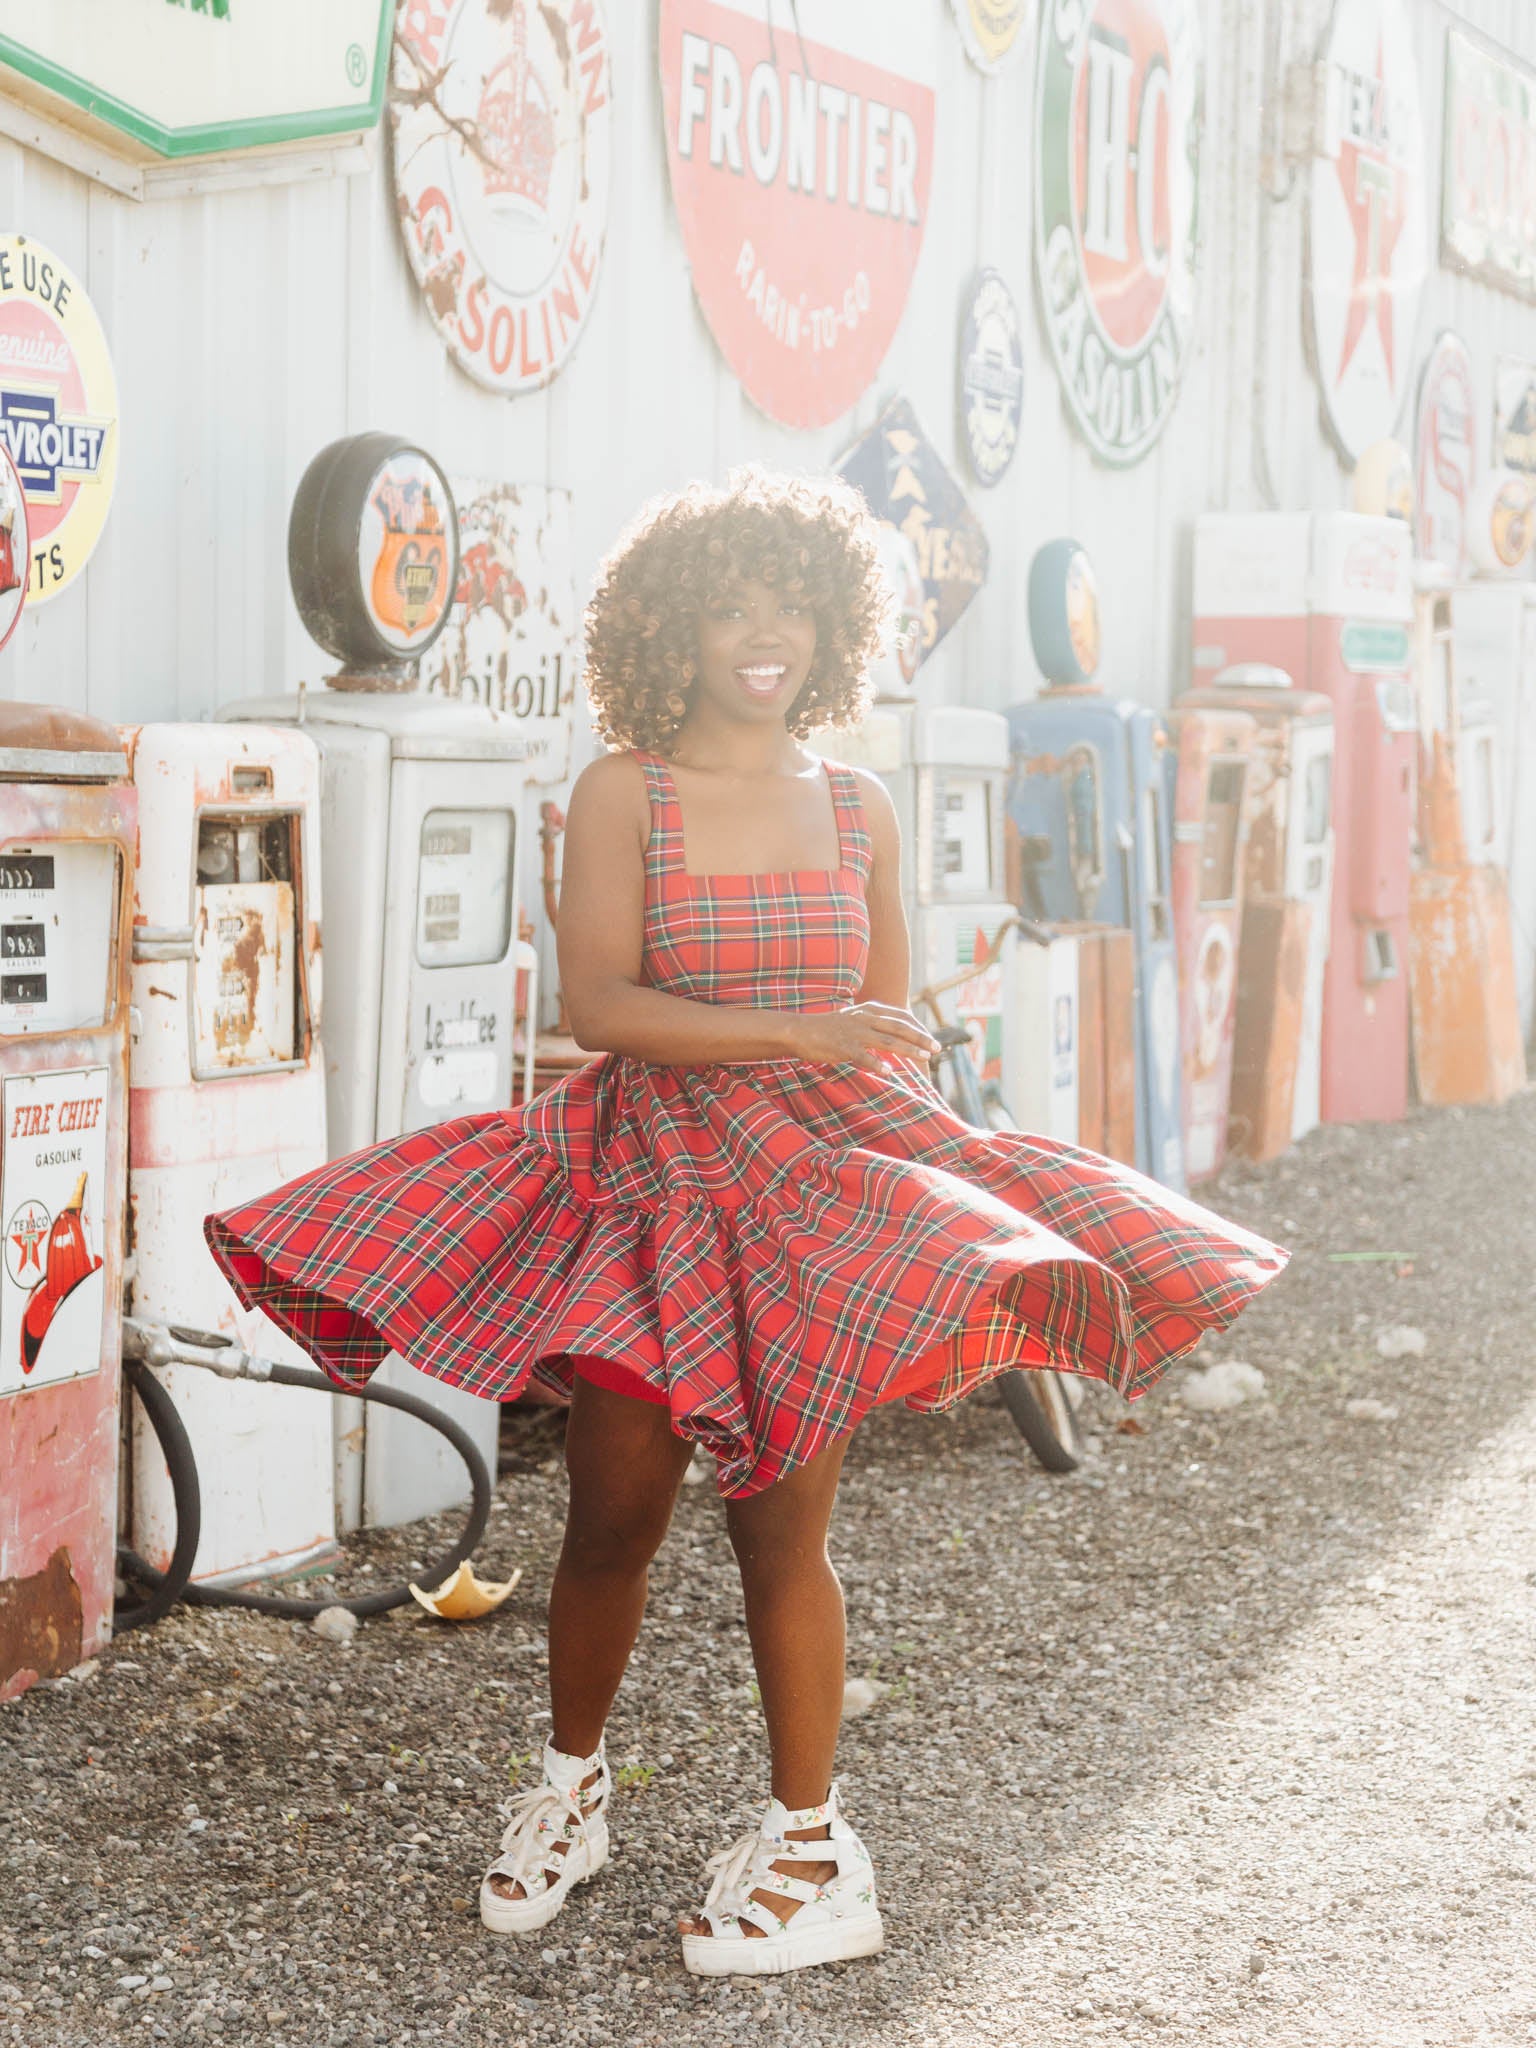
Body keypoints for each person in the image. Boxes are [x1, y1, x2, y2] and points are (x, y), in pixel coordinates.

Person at [206, 470, 1285, 1978]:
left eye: (791, 603)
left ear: (834, 622)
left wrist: (860, 1078)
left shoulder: (861, 805)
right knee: (612, 1518)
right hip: (651, 1193)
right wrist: (798, 1034)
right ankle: (570, 1795)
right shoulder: (621, 788)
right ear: (667, 627)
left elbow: (885, 1029)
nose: (763, 634)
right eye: (728, 606)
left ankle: (809, 1846)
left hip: (817, 1198)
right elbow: (601, 1009)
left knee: (786, 1525)